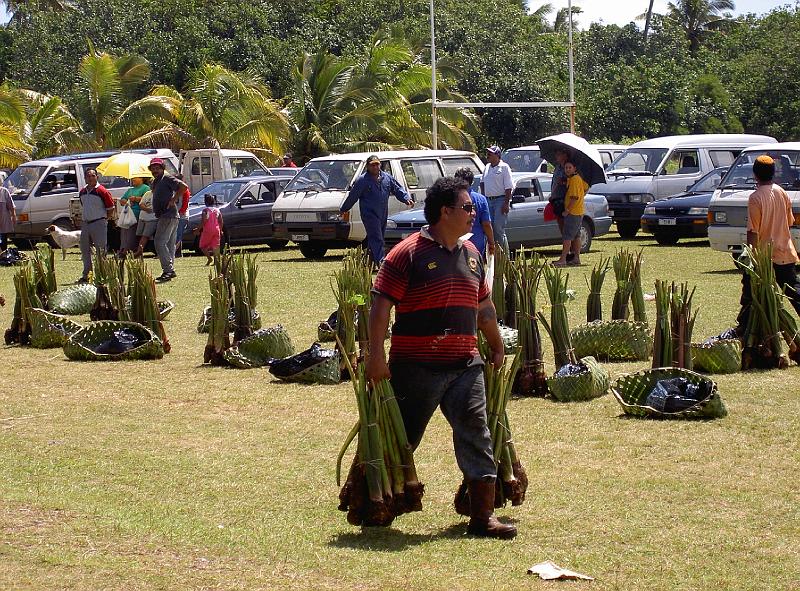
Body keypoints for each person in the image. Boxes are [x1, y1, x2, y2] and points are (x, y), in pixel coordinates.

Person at [366, 176, 517, 540]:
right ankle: (371, 500)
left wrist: (496, 344)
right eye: (467, 208)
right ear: (445, 212)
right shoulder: (407, 253)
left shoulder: (472, 255)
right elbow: (380, 307)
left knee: (476, 433)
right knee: (403, 436)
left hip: (465, 364)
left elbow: (483, 308)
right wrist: (375, 356)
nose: (473, 213)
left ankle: (482, 516)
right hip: (415, 365)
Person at [736, 154, 800, 330]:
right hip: (785, 253)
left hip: (764, 258)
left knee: (750, 294)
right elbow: (790, 221)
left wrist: (749, 254)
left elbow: (752, 231)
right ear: (774, 173)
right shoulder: (782, 192)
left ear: (755, 174)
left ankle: (743, 328)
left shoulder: (755, 198)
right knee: (794, 291)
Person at [340, 154, 413, 265]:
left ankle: (369, 262)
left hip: (383, 213)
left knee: (376, 237)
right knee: (376, 237)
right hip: (369, 214)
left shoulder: (387, 178)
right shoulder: (362, 180)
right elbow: (353, 196)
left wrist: (406, 198)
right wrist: (344, 208)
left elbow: (397, 189)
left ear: (380, 165)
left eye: (377, 164)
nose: (375, 167)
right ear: (368, 166)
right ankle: (381, 262)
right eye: (372, 165)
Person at [149, 158, 187, 282]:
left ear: (162, 168)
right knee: (170, 244)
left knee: (159, 242)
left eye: (157, 168)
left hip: (168, 214)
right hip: (165, 215)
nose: (155, 170)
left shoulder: (167, 178)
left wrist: (173, 199)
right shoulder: (156, 181)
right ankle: (170, 270)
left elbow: (183, 186)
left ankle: (168, 270)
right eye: (153, 168)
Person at [77, 169, 114, 283]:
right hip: (86, 224)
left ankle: (102, 274)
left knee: (100, 250)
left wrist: (104, 219)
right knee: (85, 250)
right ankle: (87, 275)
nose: (91, 178)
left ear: (97, 177)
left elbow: (111, 207)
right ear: (85, 178)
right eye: (88, 176)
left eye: (93, 176)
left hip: (99, 222)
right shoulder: (82, 191)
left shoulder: (102, 191)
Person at [453, 167, 494, 260]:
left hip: (456, 242)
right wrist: (491, 242)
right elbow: (486, 224)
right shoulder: (480, 199)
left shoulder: (452, 198)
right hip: (477, 244)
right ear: (471, 182)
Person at [553, 160, 588, 267]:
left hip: (573, 212)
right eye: (566, 168)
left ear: (574, 168)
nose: (567, 169)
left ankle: (563, 259)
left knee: (567, 236)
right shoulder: (575, 179)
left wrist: (567, 210)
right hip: (579, 211)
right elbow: (586, 187)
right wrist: (563, 182)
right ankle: (576, 258)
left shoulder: (574, 179)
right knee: (576, 235)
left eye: (569, 167)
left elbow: (574, 197)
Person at [479, 145, 513, 251]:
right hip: (488, 200)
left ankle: (505, 256)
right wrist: (484, 198)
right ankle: (494, 254)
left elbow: (508, 187)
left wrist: (506, 203)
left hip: (500, 200)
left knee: (498, 229)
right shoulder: (487, 167)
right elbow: (482, 183)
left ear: (497, 155)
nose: (488, 155)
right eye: (487, 153)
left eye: (490, 153)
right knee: (490, 228)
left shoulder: (504, 167)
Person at [118, 176, 149, 257]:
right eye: (132, 178)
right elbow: (122, 200)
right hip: (127, 215)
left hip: (137, 215)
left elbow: (147, 199)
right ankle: (123, 249)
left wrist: (135, 199)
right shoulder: (130, 190)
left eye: (135, 177)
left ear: (142, 178)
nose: (133, 179)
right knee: (124, 233)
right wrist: (125, 201)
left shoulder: (145, 188)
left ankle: (127, 251)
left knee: (132, 234)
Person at [194, 194, 223, 265]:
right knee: (216, 246)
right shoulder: (217, 210)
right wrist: (221, 230)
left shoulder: (205, 210)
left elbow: (204, 220)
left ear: (205, 202)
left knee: (202, 246)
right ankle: (217, 261)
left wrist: (198, 229)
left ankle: (209, 258)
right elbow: (221, 221)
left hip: (207, 230)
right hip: (216, 229)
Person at [174, 173, 191, 257]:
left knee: (178, 235)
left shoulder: (185, 191)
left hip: (182, 216)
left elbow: (185, 204)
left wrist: (179, 212)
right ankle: (177, 253)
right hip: (175, 215)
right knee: (175, 234)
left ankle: (174, 252)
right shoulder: (175, 190)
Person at [0, 183, 16, 251]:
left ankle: (3, 256)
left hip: (3, 221)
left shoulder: (4, 191)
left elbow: (11, 206)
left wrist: (14, 216)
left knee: (3, 239)